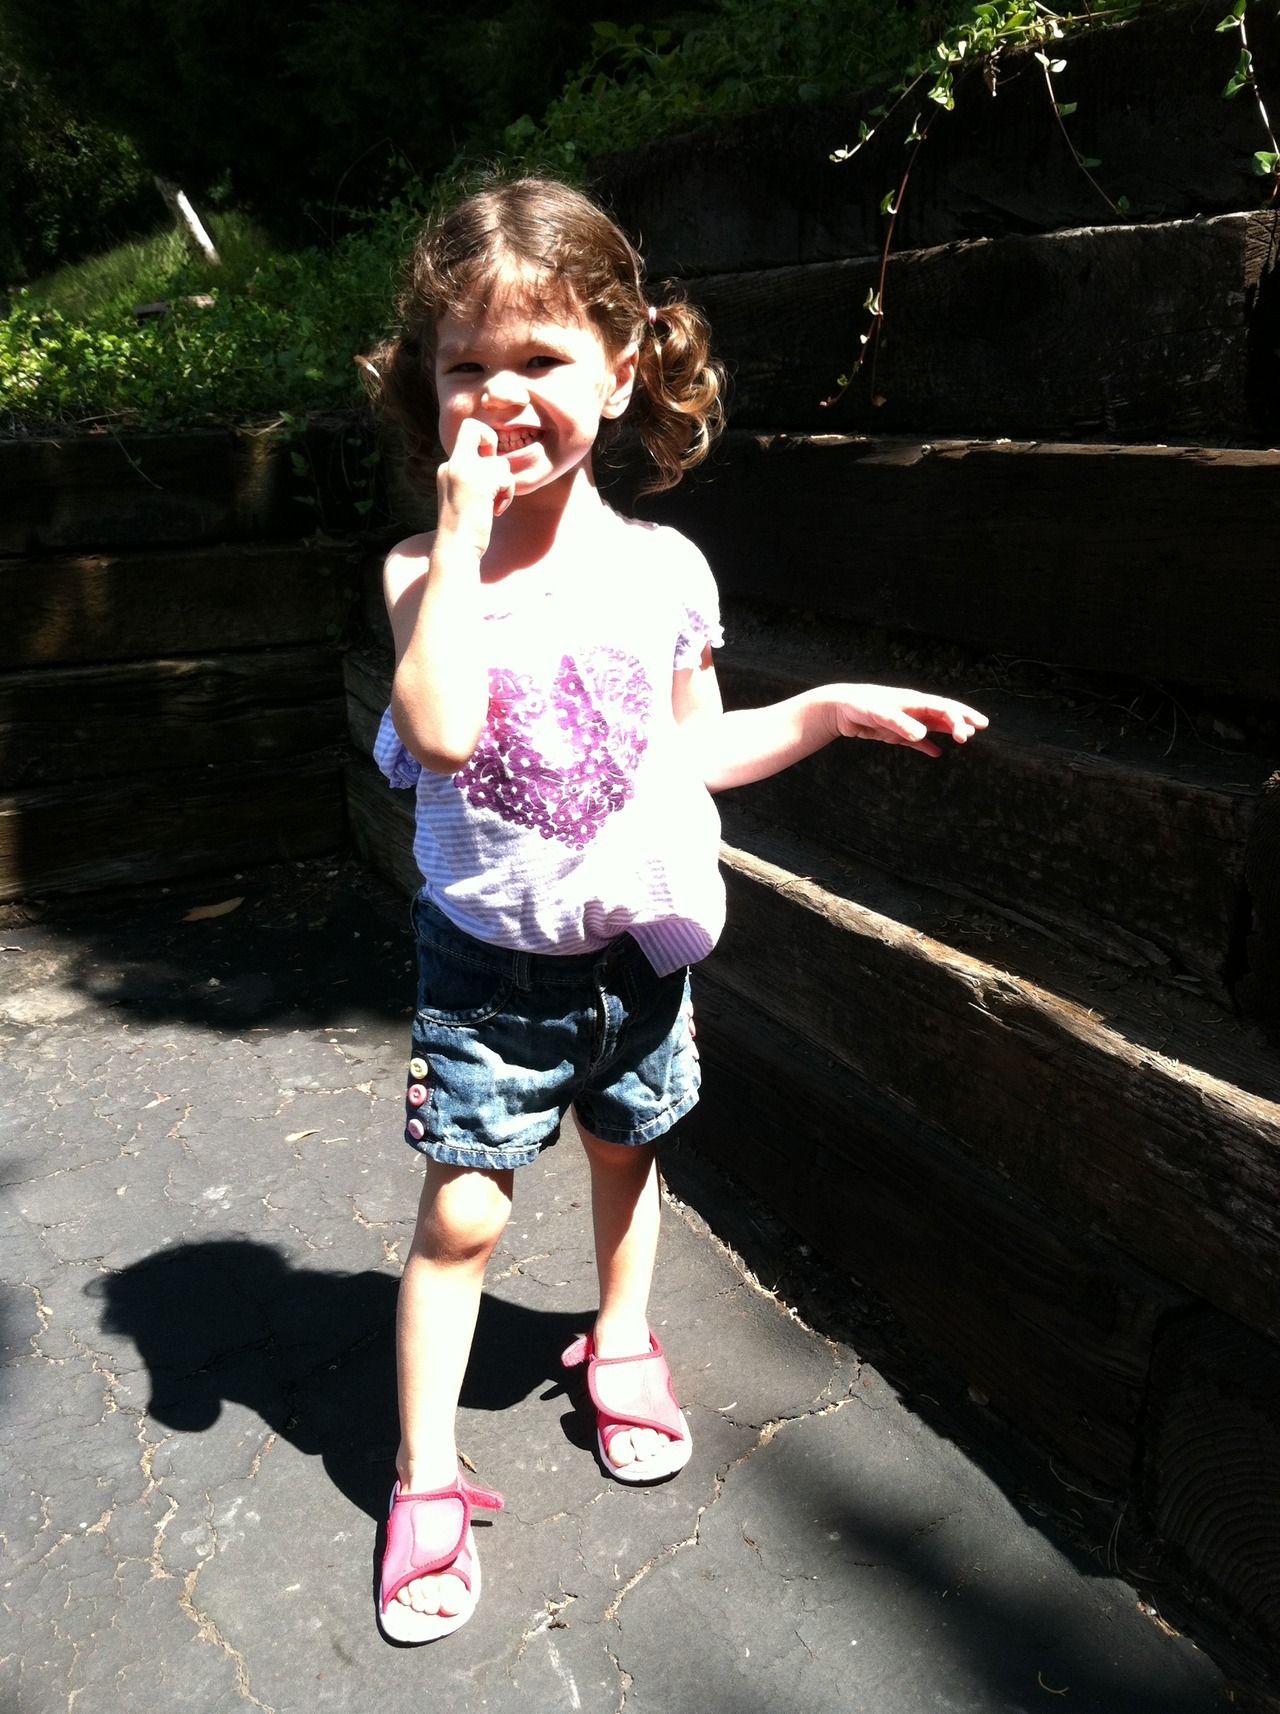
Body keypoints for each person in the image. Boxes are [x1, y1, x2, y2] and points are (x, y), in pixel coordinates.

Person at [362, 177, 987, 1644]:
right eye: (465, 365)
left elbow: (688, 752)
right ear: (425, 387)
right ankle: (426, 1472)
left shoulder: (662, 570)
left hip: (637, 949)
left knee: (630, 1150)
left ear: (623, 369)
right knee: (462, 1213)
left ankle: (623, 1332)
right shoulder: (422, 574)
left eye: (541, 358)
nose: (499, 394)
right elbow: (441, 731)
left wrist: (820, 710)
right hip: (489, 972)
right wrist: (458, 538)